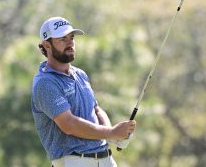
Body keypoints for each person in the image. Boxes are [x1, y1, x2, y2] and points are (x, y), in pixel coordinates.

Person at [31, 16, 136, 167]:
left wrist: (114, 136)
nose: (70, 43)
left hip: (106, 159)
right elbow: (69, 124)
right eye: (62, 39)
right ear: (47, 45)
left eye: (71, 38)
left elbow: (96, 110)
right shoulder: (45, 83)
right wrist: (111, 132)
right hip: (74, 161)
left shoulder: (80, 74)